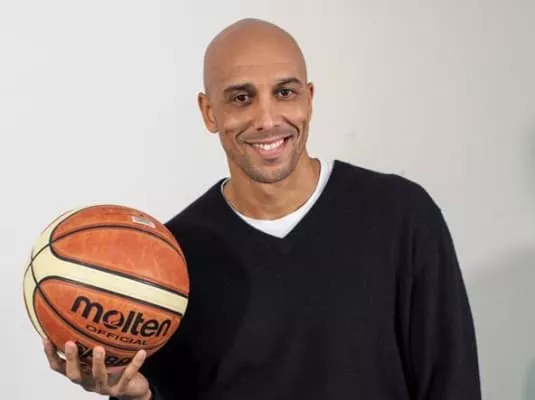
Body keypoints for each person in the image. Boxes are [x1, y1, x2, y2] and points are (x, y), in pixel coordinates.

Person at [43, 17, 482, 400]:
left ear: (309, 98)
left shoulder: (402, 217)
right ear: (208, 111)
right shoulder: (171, 264)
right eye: (241, 98)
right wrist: (136, 396)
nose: (268, 119)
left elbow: (452, 385)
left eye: (285, 92)